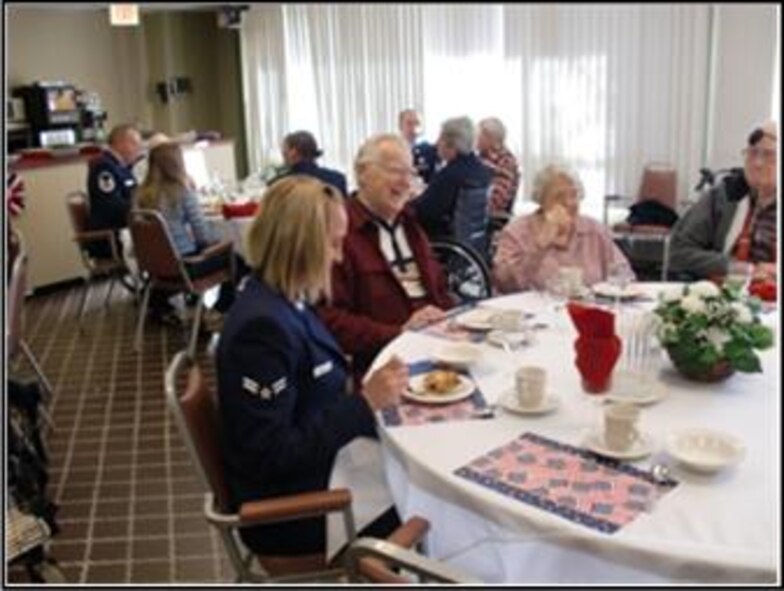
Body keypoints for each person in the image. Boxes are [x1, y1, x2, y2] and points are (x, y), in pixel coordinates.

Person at [217, 175, 408, 561]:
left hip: (323, 469)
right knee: (427, 504)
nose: (339, 257)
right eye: (334, 244)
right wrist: (364, 404)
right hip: (294, 510)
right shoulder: (263, 329)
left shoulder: (287, 300)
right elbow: (269, 456)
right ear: (299, 245)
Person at [318, 134, 453, 386]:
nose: (406, 182)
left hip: (437, 350)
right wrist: (399, 333)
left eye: (410, 173)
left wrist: (451, 321)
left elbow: (440, 289)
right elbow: (328, 319)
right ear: (362, 173)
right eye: (395, 171)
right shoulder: (340, 232)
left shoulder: (411, 225)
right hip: (383, 367)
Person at [135, 142, 235, 323]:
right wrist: (222, 241)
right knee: (236, 257)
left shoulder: (141, 194)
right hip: (183, 268)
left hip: (155, 267)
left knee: (197, 249)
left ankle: (162, 302)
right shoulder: (182, 192)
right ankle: (218, 312)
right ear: (178, 163)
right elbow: (203, 237)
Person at [493, 163, 633, 293]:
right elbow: (504, 286)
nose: (569, 203)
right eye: (558, 197)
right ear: (541, 200)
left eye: (574, 195)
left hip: (588, 313)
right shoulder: (516, 233)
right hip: (535, 316)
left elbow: (625, 275)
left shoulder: (594, 231)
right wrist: (539, 247)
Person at [668, 120, 777, 283]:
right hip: (729, 296)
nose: (757, 163)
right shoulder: (725, 195)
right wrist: (738, 268)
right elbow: (679, 252)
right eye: (752, 153)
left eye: (769, 155)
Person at [411, 116, 493, 242]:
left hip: (444, 242)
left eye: (440, 138)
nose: (437, 143)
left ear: (452, 144)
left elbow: (424, 211)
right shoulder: (483, 170)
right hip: (475, 244)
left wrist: (405, 201)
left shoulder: (450, 175)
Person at [85, 123, 143, 259]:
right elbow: (111, 206)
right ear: (121, 143)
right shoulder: (104, 168)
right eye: (135, 144)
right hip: (112, 235)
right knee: (165, 240)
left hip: (125, 229)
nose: (139, 150)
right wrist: (142, 207)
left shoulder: (122, 167)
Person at [272, 130, 348, 197]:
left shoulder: (280, 183)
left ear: (293, 152)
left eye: (285, 149)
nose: (282, 153)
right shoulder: (338, 178)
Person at [477, 117, 521, 216]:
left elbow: (497, 202)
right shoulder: (479, 158)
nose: (475, 138)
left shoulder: (506, 161)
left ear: (490, 137)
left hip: (492, 219)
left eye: (478, 135)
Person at [398, 108, 439, 184]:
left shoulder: (430, 149)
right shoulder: (393, 149)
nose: (413, 127)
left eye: (417, 123)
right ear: (400, 126)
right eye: (409, 123)